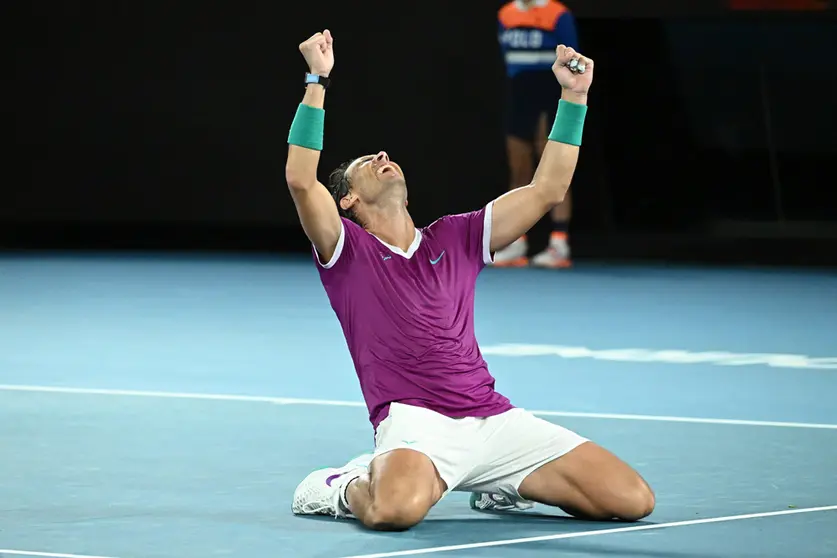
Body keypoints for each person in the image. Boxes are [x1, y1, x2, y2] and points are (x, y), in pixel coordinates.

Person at [286, 29, 654, 531]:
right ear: (348, 201)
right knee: (393, 511)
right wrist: (317, 80)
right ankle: (343, 487)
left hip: (492, 419)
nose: (381, 157)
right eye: (364, 165)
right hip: (416, 422)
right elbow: (301, 180)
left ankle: (500, 485)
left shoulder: (457, 237)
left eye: (384, 156)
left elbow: (548, 189)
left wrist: (574, 96)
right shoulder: (347, 249)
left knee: (633, 500)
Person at [493, 0, 579, 268]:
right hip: (519, 98)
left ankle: (559, 243)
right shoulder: (505, 15)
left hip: (549, 96)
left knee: (554, 172)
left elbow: (573, 62)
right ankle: (515, 241)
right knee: (518, 168)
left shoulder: (558, 15)